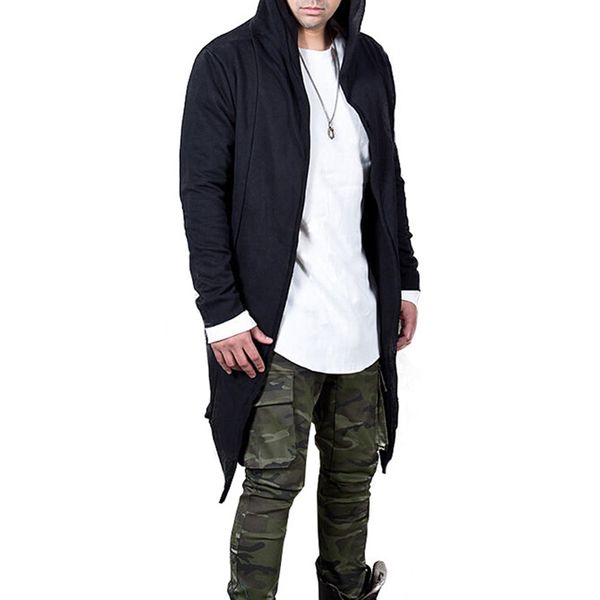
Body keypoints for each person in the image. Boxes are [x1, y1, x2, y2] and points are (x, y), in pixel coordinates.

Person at [178, 1, 421, 598]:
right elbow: (202, 189)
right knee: (272, 482)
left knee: (352, 478)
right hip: (273, 325)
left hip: (362, 319)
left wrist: (405, 279)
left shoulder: (369, 61)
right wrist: (220, 311)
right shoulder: (227, 62)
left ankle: (346, 590)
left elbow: (387, 177)